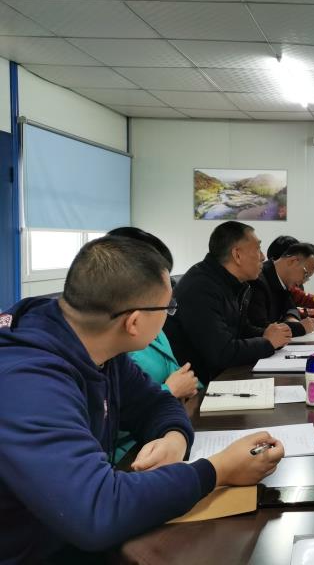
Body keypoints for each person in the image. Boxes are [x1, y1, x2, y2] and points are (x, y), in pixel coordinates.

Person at [0, 237, 284, 563]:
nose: (170, 317)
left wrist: (174, 438)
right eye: (167, 308)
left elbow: (155, 403)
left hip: (62, 535)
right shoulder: (28, 382)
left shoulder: (93, 344)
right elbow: (98, 511)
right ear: (134, 322)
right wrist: (219, 470)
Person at [106, 227, 199, 462]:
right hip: (128, 453)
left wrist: (176, 435)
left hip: (157, 433)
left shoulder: (150, 325)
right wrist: (170, 390)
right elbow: (111, 417)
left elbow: (173, 376)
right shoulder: (111, 346)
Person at [163, 222, 292, 386]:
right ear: (237, 255)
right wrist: (267, 342)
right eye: (258, 249)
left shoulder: (233, 283)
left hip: (220, 377)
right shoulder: (201, 287)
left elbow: (241, 329)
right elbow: (221, 353)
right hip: (198, 387)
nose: (263, 257)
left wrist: (268, 333)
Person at [248, 242, 314, 335]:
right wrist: (300, 328)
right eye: (306, 274)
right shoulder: (258, 281)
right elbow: (260, 327)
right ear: (292, 261)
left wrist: (291, 318)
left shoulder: (283, 281)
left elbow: (291, 308)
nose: (304, 281)